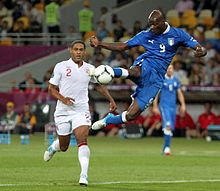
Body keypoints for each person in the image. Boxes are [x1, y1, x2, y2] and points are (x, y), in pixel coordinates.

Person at [89, 10, 206, 139]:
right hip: (147, 64)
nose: (152, 27)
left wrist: (201, 51)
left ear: (162, 22)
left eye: (155, 25)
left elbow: (199, 47)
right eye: (150, 24)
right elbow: (123, 46)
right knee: (136, 72)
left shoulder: (178, 34)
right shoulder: (146, 34)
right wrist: (100, 44)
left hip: (156, 80)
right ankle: (110, 71)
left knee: (131, 115)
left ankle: (108, 120)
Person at [43, 40, 117, 186]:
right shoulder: (61, 67)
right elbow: (51, 89)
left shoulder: (90, 69)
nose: (78, 52)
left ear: (84, 52)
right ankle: (54, 147)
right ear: (71, 50)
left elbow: (99, 86)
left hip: (81, 110)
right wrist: (63, 99)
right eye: (76, 49)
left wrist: (111, 100)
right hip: (63, 111)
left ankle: (84, 175)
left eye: (81, 49)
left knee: (82, 141)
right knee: (64, 147)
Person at [153, 65, 186, 155]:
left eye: (171, 68)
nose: (169, 70)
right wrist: (155, 106)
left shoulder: (175, 80)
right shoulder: (162, 79)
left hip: (173, 107)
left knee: (170, 127)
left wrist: (183, 104)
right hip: (164, 106)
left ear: (173, 70)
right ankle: (167, 148)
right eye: (167, 68)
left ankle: (164, 149)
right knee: (167, 125)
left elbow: (179, 93)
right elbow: (156, 94)